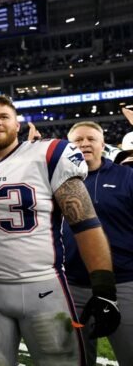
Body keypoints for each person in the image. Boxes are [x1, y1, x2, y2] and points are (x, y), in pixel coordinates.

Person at [0, 95, 119, 365]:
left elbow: (86, 223)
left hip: (42, 287)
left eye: (4, 117)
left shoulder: (48, 155)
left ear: (17, 124)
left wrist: (103, 289)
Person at [64, 121, 132, 365]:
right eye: (77, 140)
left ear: (103, 144)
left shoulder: (127, 176)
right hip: (71, 286)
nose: (84, 144)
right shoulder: (57, 181)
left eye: (90, 139)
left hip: (123, 283)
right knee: (76, 358)